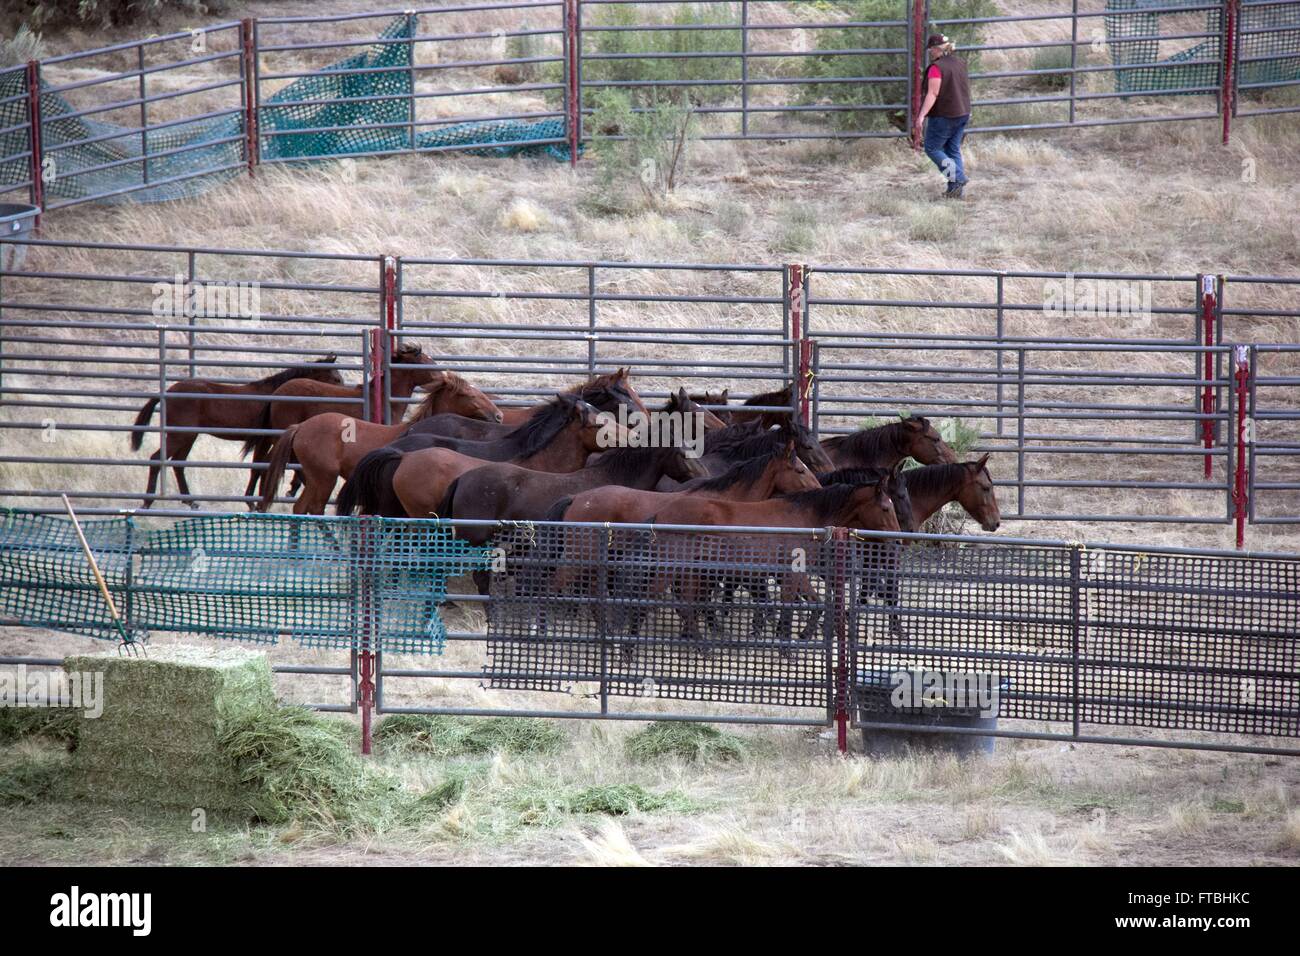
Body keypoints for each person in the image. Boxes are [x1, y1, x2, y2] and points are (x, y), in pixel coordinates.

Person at [912, 33, 972, 199]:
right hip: (963, 112)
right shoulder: (960, 63)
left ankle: (958, 177)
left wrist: (921, 116)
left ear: (937, 49)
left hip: (945, 114)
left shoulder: (936, 68)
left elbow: (932, 93)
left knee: (932, 148)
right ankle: (955, 192)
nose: (930, 52)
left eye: (931, 49)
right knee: (952, 150)